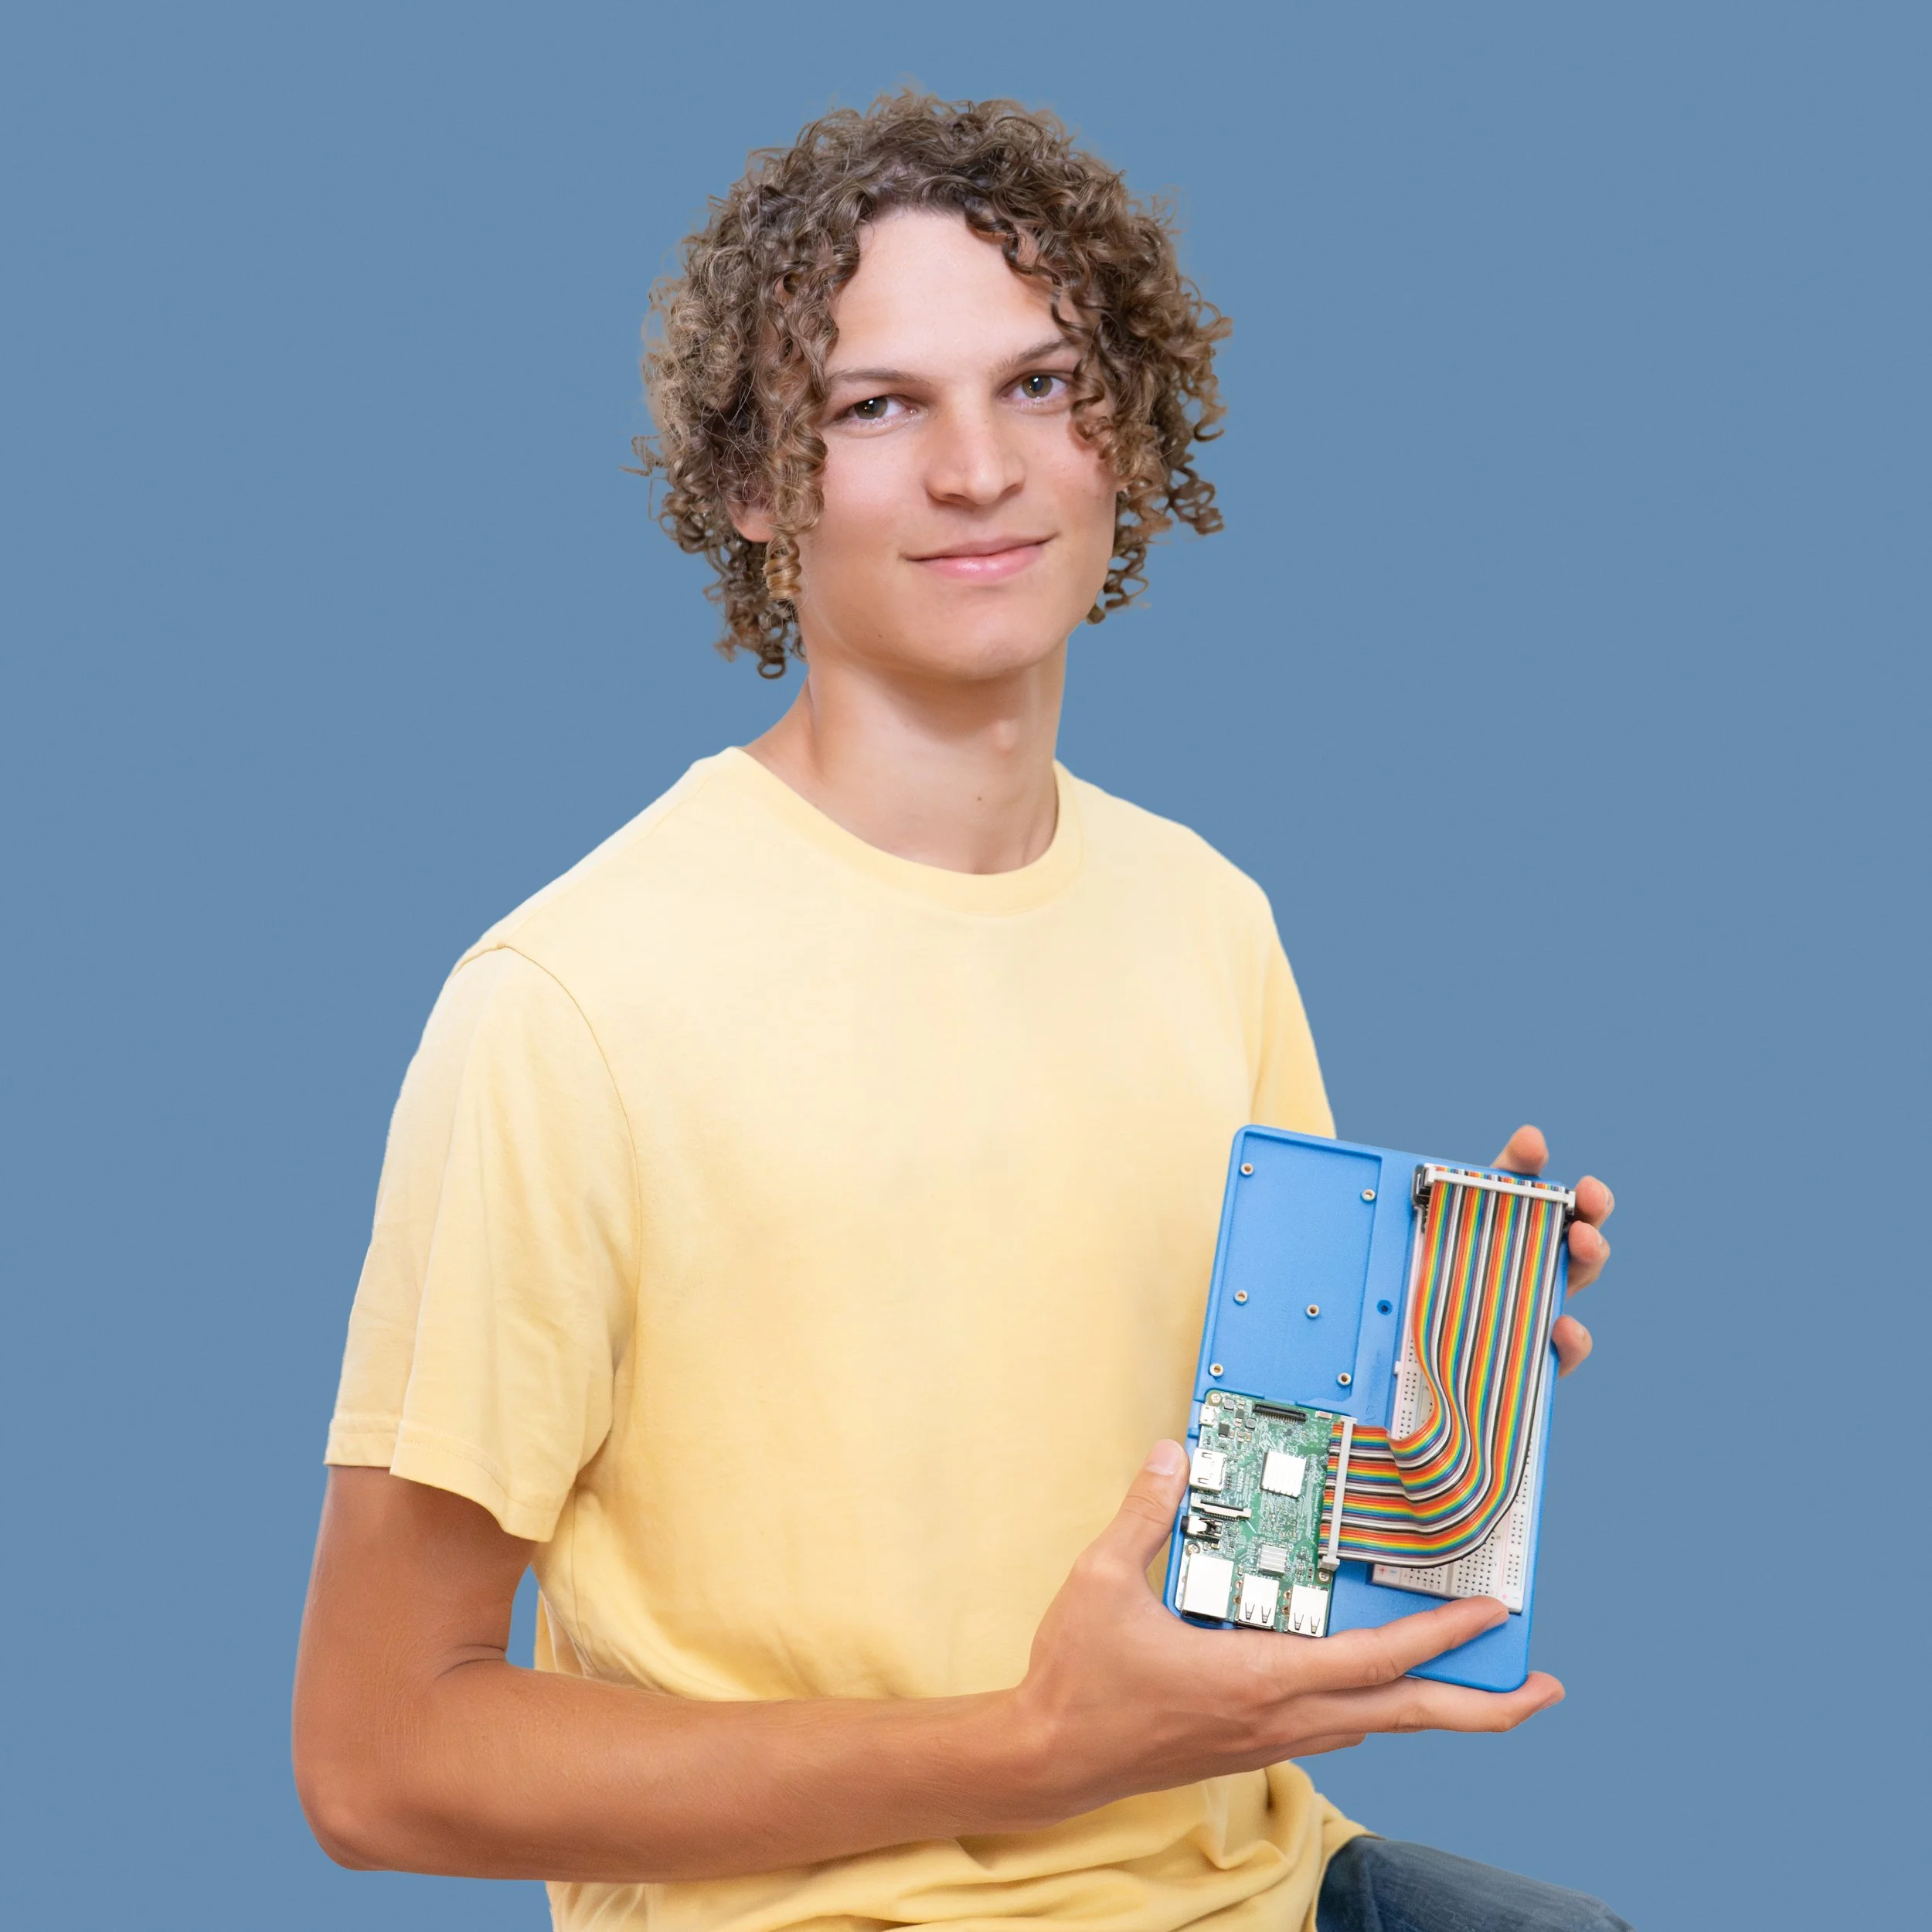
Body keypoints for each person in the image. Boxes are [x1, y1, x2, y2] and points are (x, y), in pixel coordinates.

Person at [293, 93, 1628, 1932]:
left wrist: (1429, 1408)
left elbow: (1247, 1552)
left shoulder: (1205, 919)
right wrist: (1022, 1746)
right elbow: (376, 1755)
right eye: (875, 406)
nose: (977, 468)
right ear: (757, 484)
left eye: (1038, 384)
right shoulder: (564, 1008)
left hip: (1250, 1883)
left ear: (1123, 436)